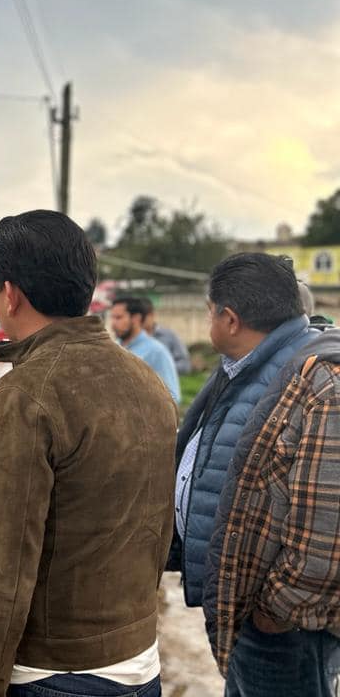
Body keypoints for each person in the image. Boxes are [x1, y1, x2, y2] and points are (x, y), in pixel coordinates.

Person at [0, 210, 178, 697]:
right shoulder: (149, 383)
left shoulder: (25, 397)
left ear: (9, 293)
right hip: (140, 665)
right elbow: (156, 532)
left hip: (53, 676)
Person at [166, 254, 318, 680]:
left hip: (276, 627)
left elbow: (325, 517)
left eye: (209, 312)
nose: (208, 320)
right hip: (243, 605)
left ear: (229, 319)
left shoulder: (304, 378)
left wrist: (275, 610)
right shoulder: (244, 368)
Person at [203, 327, 340, 696]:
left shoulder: (332, 388)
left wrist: (275, 611)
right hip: (283, 624)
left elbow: (323, 544)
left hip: (292, 632)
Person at [109, 296, 181, 402]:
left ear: (136, 318)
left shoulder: (156, 351)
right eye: (112, 318)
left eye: (119, 318)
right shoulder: (113, 348)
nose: (113, 324)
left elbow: (173, 397)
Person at [140, 298, 192, 375]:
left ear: (152, 315)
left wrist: (161, 369)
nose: (139, 320)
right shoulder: (130, 340)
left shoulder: (169, 336)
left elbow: (185, 365)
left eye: (142, 317)